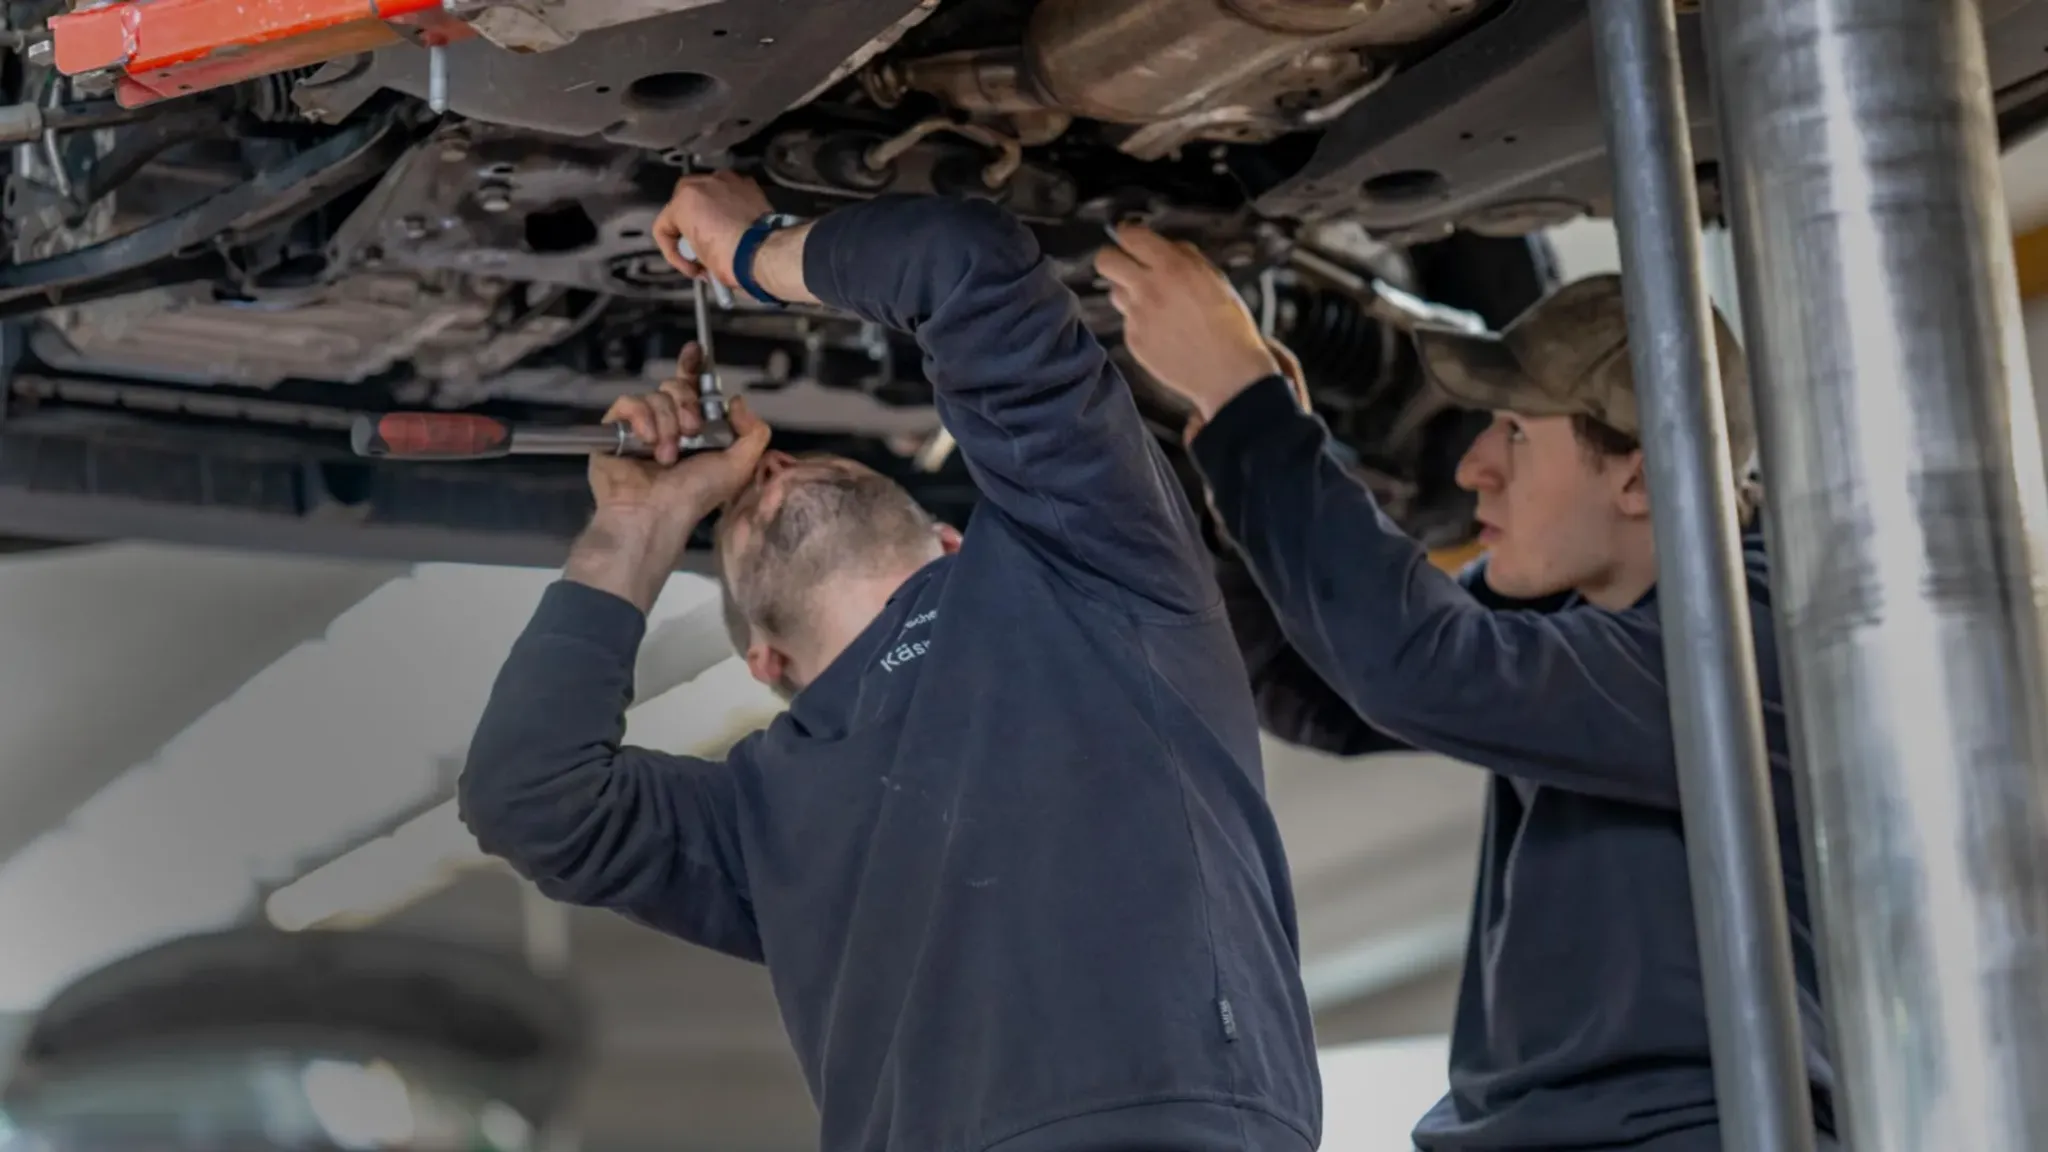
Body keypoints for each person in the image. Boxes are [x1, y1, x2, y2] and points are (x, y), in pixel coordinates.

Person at [456, 177, 1322, 1152]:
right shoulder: (754, 819)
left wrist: (755, 254)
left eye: (782, 463)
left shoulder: (1089, 570)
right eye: (730, 520)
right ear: (761, 658)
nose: (769, 465)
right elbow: (526, 797)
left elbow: (964, 264)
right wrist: (638, 523)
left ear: (951, 541)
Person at [1096, 228, 1839, 1152]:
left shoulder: (1746, 634)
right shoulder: (1584, 602)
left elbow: (1422, 666)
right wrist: (1223, 472)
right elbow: (1325, 690)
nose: (1472, 465)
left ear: (1640, 478)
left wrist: (1249, 406)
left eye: (1517, 432)